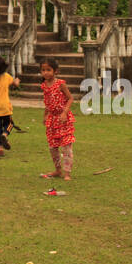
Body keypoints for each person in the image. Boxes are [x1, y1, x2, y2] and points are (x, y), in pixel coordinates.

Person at [39, 58, 75, 190]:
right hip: (52, 120)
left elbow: (70, 98)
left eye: (48, 70)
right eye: (43, 70)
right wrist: (45, 115)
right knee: (53, 147)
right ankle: (57, 170)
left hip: (63, 120)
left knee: (66, 146)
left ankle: (67, 173)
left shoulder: (61, 84)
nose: (46, 73)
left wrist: (65, 112)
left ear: (55, 71)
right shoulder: (44, 86)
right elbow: (47, 102)